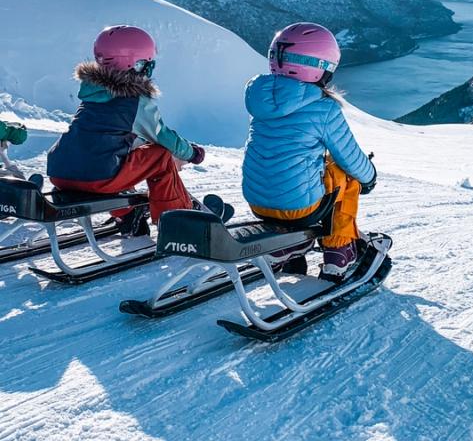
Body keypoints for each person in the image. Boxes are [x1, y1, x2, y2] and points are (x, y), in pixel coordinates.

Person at [242, 22, 376, 281]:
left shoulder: (260, 101)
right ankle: (339, 252)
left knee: (301, 167)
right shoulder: (324, 109)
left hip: (257, 202)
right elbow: (350, 158)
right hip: (300, 208)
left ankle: (288, 245)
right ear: (319, 68)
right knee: (345, 176)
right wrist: (369, 177)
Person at [47, 25, 205, 235]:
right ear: (135, 64)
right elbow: (161, 135)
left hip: (60, 171)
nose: (148, 70)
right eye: (146, 64)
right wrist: (191, 153)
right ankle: (178, 221)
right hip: (98, 177)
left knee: (114, 155)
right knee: (160, 156)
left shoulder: (93, 93)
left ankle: (127, 214)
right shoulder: (133, 100)